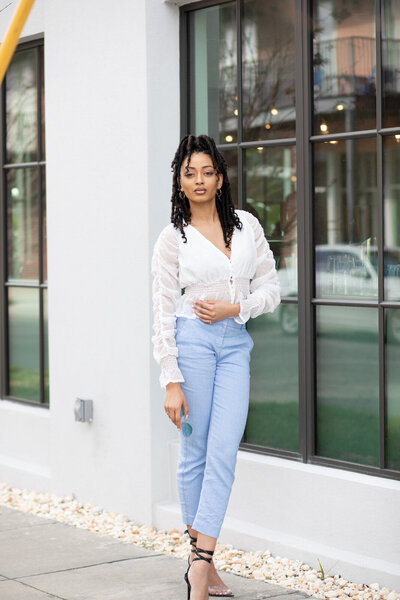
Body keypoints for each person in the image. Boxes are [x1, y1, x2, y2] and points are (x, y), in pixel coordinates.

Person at [151, 134, 281, 600]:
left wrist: (235, 308)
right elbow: (163, 312)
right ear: (180, 182)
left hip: (234, 344)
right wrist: (171, 380)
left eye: (207, 171)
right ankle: (203, 565)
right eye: (190, 173)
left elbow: (271, 288)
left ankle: (198, 566)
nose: (199, 180)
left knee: (224, 450)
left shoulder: (246, 225)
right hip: (191, 343)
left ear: (221, 178)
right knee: (196, 453)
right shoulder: (173, 239)